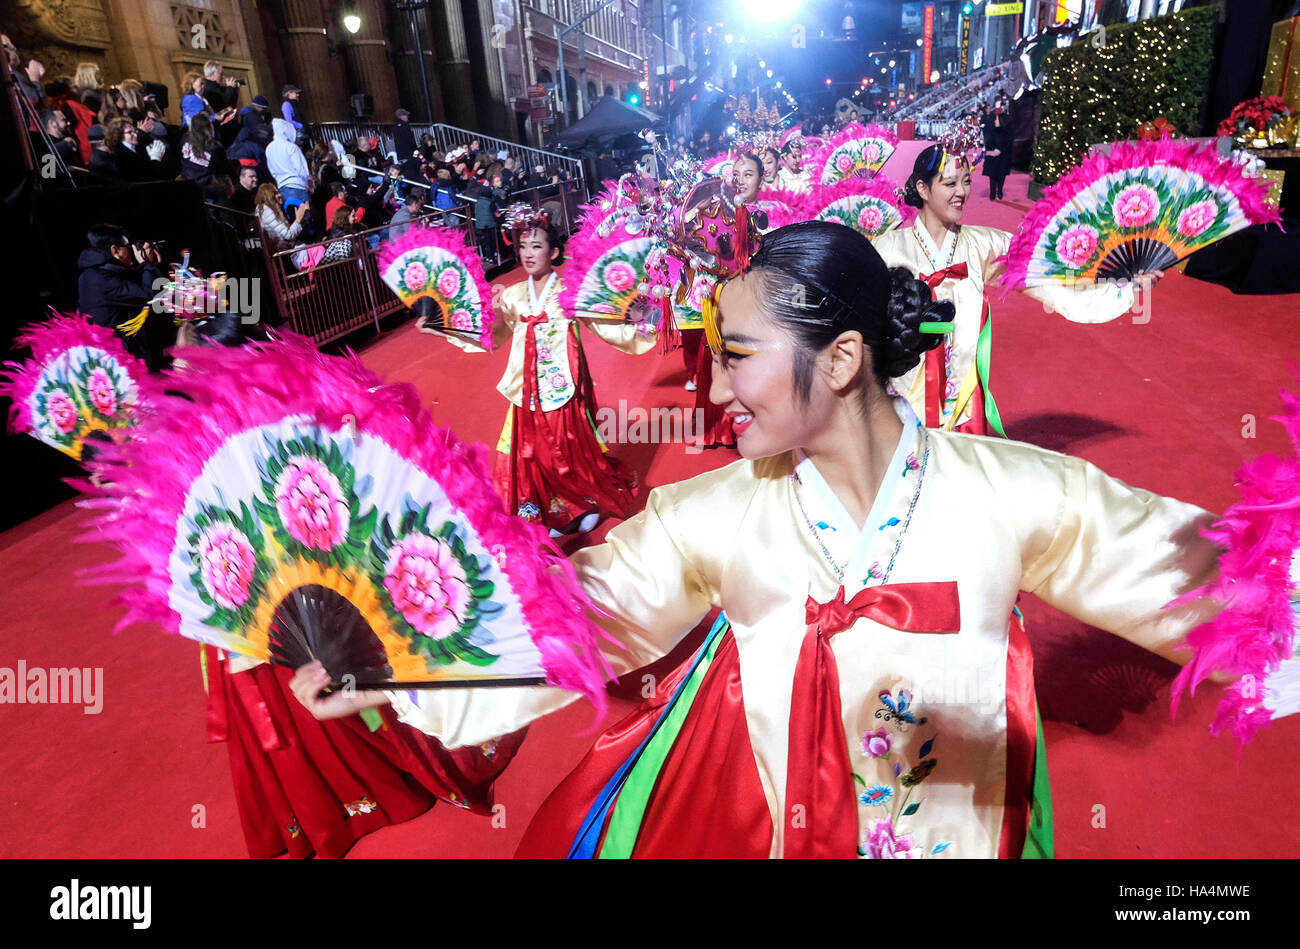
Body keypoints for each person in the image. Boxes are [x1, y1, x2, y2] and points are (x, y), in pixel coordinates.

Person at [292, 220, 1275, 859]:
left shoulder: (1014, 494)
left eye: (736, 360)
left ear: (842, 358)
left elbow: (1216, 582)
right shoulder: (715, 513)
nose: (714, 391)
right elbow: (571, 622)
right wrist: (389, 655)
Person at [872, 144, 1161, 435]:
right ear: (922, 188)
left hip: (963, 402)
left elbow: (1050, 275)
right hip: (902, 397)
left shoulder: (984, 245)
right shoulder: (887, 250)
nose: (961, 192)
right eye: (950, 183)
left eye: (967, 181)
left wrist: (1123, 284)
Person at [421, 213, 656, 535]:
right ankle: (550, 509)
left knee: (570, 447)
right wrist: (448, 325)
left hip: (564, 384)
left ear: (554, 253)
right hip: (525, 387)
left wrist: (638, 317)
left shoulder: (570, 292)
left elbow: (602, 321)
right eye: (523, 246)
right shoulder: (514, 295)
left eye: (536, 246)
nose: (528, 253)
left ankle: (584, 502)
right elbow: (496, 334)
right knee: (533, 454)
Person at [76, 223, 169, 369]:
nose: (132, 249)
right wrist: (146, 264)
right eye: (128, 246)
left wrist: (146, 266)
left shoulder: (92, 273)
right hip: (118, 362)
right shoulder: (102, 281)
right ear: (115, 250)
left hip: (110, 355)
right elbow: (152, 296)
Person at [267, 117, 312, 211]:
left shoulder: (269, 148)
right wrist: (309, 181)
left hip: (282, 188)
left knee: (293, 220)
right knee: (306, 219)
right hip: (298, 187)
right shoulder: (291, 147)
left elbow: (272, 170)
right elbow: (302, 170)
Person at [254, 181, 309, 255]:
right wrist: (298, 219)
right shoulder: (267, 212)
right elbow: (288, 235)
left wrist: (301, 217)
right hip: (283, 254)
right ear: (269, 196)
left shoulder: (267, 210)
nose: (280, 195)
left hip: (285, 251)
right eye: (276, 193)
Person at [180, 111, 228, 188]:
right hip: (206, 186)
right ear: (209, 127)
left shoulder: (184, 138)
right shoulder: (215, 147)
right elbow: (223, 169)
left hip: (185, 183)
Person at [982, 107, 1013, 201]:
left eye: (997, 119)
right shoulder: (993, 131)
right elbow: (988, 143)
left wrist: (1000, 150)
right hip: (993, 158)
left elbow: (1009, 144)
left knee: (1001, 177)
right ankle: (992, 194)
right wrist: (992, 150)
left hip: (1003, 158)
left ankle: (999, 191)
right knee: (992, 176)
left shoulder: (1009, 132)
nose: (995, 121)